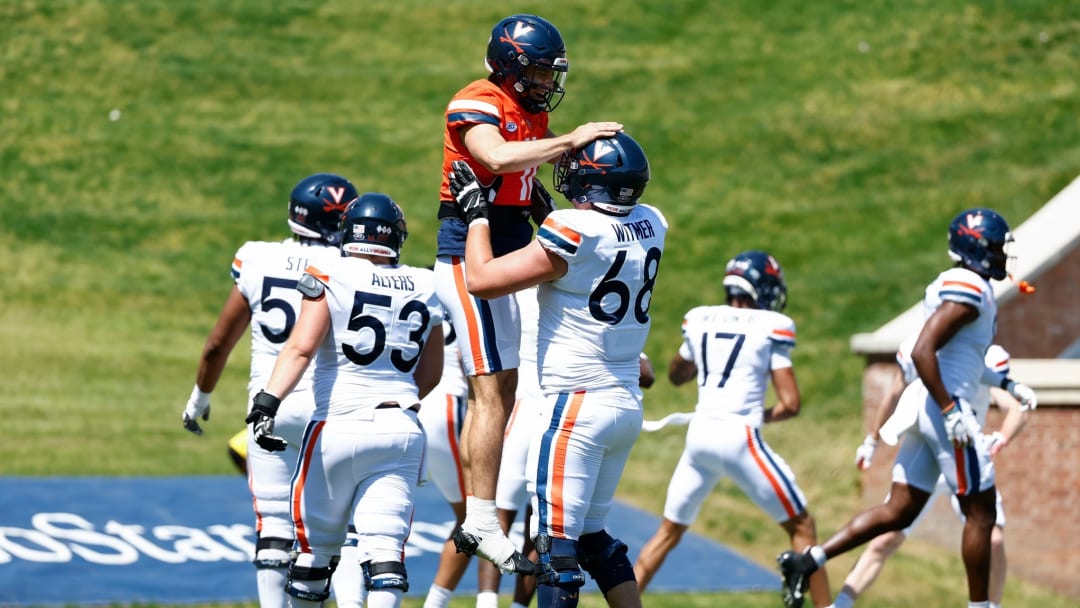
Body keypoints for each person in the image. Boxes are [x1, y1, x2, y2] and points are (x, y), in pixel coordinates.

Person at [433, 13, 625, 574]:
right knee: (491, 386)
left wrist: (562, 218)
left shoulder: (533, 113)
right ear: (510, 66)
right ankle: (482, 518)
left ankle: (483, 511)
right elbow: (494, 157)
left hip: (514, 239)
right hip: (470, 249)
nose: (546, 84)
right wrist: (571, 139)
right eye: (539, 72)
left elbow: (523, 183)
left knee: (505, 386)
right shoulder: (476, 101)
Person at [450, 130, 665, 608]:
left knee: (555, 552)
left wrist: (477, 217)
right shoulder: (653, 222)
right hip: (625, 401)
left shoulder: (573, 230)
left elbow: (483, 280)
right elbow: (597, 253)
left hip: (577, 408)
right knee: (594, 541)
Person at [778, 207, 1018, 608]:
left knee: (898, 511)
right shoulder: (969, 286)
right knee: (981, 515)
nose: (1001, 255)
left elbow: (942, 356)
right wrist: (950, 409)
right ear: (976, 248)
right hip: (948, 412)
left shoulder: (955, 283)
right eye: (995, 247)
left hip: (929, 409)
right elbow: (925, 351)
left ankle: (808, 561)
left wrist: (1007, 384)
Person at [246, 193, 444, 608]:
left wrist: (268, 401)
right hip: (401, 429)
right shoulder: (427, 284)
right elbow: (430, 374)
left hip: (336, 427)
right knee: (385, 555)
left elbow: (300, 347)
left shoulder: (330, 272)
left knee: (314, 557)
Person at [180, 173, 363, 608]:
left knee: (274, 530)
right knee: (344, 531)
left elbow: (217, 344)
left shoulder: (257, 259)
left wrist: (199, 399)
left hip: (271, 404)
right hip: (331, 406)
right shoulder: (354, 268)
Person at [631, 250, 832, 607]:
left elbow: (677, 375)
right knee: (802, 527)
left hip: (700, 436)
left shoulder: (700, 319)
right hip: (739, 438)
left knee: (667, 533)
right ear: (760, 289)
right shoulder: (772, 325)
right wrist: (763, 415)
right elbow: (791, 403)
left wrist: (699, 356)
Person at [831, 339, 1036, 608]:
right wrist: (871, 441)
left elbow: (1014, 407)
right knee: (885, 538)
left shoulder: (983, 355)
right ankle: (840, 603)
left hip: (964, 455)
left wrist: (1000, 438)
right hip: (927, 456)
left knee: (993, 540)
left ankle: (990, 606)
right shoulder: (920, 348)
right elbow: (894, 394)